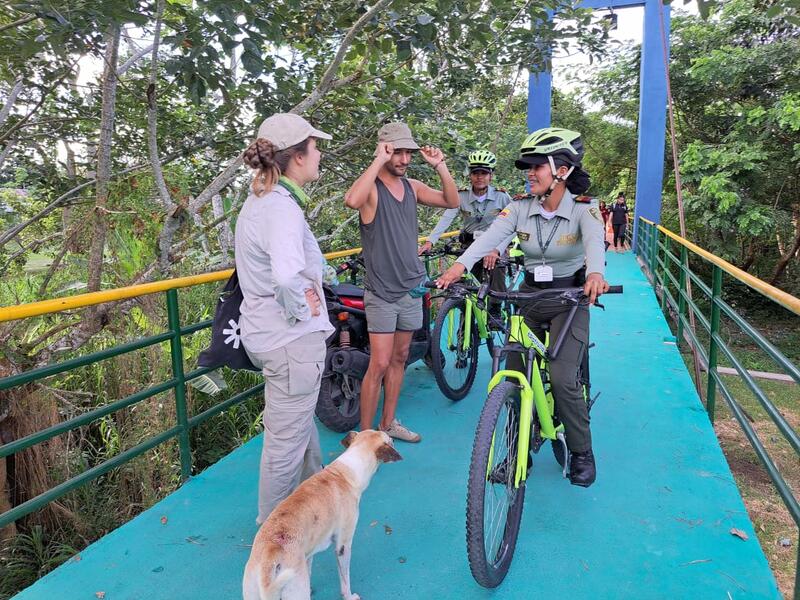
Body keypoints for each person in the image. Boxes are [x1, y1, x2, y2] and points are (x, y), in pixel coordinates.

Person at [436, 127, 608, 487]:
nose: (529, 173)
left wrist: (594, 275)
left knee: (562, 378)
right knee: (514, 376)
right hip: (529, 297)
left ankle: (581, 451)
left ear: (561, 170)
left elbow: (595, 247)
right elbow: (489, 239)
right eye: (526, 167)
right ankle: (518, 453)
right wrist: (458, 268)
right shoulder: (518, 207)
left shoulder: (584, 208)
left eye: (536, 167)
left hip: (570, 300)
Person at [235, 113, 335, 524]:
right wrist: (302, 306)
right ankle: (272, 538)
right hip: (290, 341)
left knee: (298, 432)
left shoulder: (263, 201)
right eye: (315, 146)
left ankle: (320, 511)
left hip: (269, 334)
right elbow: (285, 276)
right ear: (296, 157)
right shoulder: (281, 209)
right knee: (284, 446)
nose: (320, 153)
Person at [344, 122, 459, 442]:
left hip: (411, 288)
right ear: (384, 149)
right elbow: (351, 200)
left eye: (409, 152)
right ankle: (364, 437)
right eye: (399, 152)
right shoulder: (371, 191)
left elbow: (452, 201)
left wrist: (441, 166)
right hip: (381, 292)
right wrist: (377, 161)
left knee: (399, 358)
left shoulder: (412, 187)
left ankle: (388, 423)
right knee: (378, 363)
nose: (405, 159)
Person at [419, 150, 514, 322]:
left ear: (490, 176)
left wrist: (497, 250)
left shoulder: (501, 196)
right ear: (470, 175)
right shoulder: (461, 196)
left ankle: (495, 309)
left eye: (484, 173)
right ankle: (465, 318)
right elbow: (446, 218)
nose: (479, 177)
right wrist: (430, 241)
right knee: (463, 282)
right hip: (469, 245)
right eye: (475, 173)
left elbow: (513, 226)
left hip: (494, 245)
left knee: (497, 270)